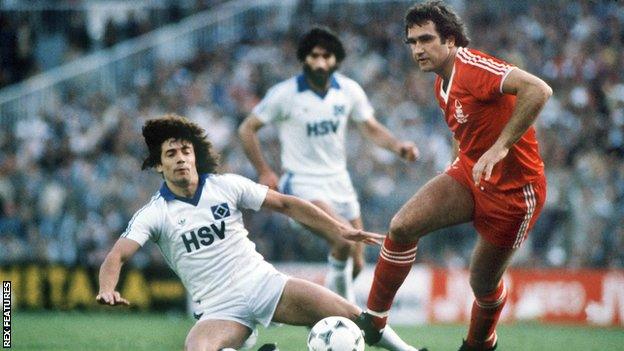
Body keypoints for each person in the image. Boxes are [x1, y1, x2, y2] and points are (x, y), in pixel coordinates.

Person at [96, 115, 422, 351]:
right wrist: (107, 288)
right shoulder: (155, 213)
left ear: (194, 155)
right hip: (219, 308)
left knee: (355, 317)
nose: (181, 158)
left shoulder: (226, 186)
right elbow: (118, 255)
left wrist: (339, 228)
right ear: (158, 166)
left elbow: (285, 204)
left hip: (265, 285)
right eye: (171, 154)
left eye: (185, 151)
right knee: (196, 349)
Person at [356, 2, 552, 351]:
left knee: (482, 283)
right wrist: (453, 167)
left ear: (450, 40)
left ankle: (480, 343)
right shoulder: (440, 84)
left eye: (426, 39)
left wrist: (501, 147)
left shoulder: (473, 66)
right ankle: (373, 318)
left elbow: (538, 90)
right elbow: (464, 130)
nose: (418, 49)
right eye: (412, 42)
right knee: (401, 226)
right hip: (470, 173)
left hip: (514, 193)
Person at [238, 26, 418, 302]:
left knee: (357, 264)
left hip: (339, 182)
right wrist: (264, 170)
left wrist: (398, 146)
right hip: (302, 183)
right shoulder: (284, 94)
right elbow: (247, 129)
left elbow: (370, 128)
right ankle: (346, 323)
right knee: (343, 239)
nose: (320, 62)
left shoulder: (348, 90)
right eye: (314, 56)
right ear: (304, 58)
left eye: (327, 56)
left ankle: (315, 313)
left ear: (337, 59)